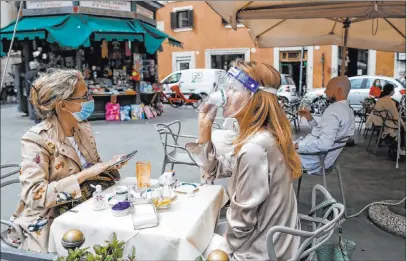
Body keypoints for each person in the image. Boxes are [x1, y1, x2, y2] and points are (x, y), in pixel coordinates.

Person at [186, 60, 302, 260]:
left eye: (234, 89)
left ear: (256, 98)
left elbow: (241, 225)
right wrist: (205, 128)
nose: (225, 94)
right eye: (227, 87)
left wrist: (225, 244)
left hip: (264, 251)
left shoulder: (255, 148)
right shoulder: (263, 136)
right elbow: (213, 169)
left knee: (190, 248)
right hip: (280, 240)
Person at [8, 69, 126, 253]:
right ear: (63, 105)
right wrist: (86, 173)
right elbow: (34, 195)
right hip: (53, 221)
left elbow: (95, 169)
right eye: (84, 95)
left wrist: (108, 166)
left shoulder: (82, 128)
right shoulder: (36, 139)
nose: (90, 99)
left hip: (88, 205)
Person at [296, 76, 355, 174]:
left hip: (313, 162)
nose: (325, 92)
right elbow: (324, 134)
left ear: (338, 90)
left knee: (272, 155)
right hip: (320, 158)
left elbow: (324, 144)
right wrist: (310, 118)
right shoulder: (347, 110)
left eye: (328, 88)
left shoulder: (334, 111)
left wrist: (298, 146)